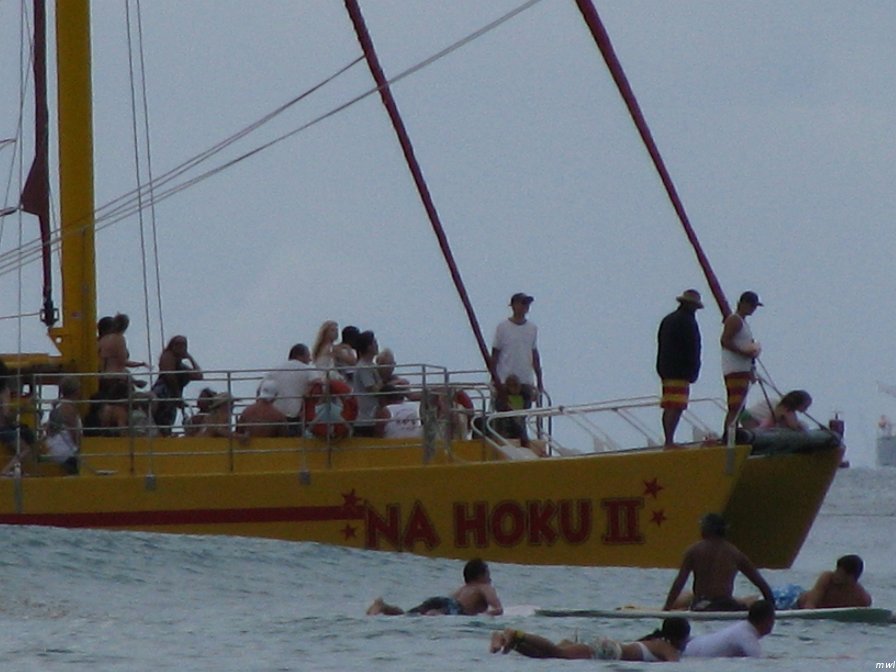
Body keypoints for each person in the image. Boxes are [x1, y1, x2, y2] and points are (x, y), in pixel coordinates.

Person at [663, 513, 774, 611]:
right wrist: (772, 606)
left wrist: (666, 608)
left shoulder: (694, 550)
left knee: (685, 599)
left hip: (703, 604)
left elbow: (679, 582)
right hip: (726, 604)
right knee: (748, 600)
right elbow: (760, 583)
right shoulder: (735, 553)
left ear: (707, 529)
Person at [489, 617, 690, 662]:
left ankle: (512, 642)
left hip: (608, 647)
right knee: (557, 653)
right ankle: (516, 633)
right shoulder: (665, 646)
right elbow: (676, 665)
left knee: (546, 656)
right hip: (608, 650)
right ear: (678, 637)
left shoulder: (655, 641)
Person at [366, 558, 502, 616]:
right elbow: (498, 609)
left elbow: (449, 602)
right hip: (455, 608)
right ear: (480, 576)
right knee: (433, 615)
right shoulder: (484, 587)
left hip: (443, 601)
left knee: (408, 615)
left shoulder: (462, 589)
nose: (490, 579)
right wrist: (483, 615)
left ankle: (383, 606)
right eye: (487, 574)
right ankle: (434, 614)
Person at [656, 289, 703, 447]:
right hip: (680, 370)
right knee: (676, 406)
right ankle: (669, 441)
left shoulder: (668, 319)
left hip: (666, 368)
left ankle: (668, 439)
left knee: (670, 404)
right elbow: (692, 348)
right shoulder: (687, 322)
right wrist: (693, 369)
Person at [720, 292, 763, 439]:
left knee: (740, 405)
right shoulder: (735, 320)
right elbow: (725, 341)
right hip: (735, 369)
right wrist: (744, 353)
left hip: (743, 369)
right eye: (751, 305)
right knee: (735, 405)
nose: (753, 309)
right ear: (742, 304)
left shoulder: (744, 323)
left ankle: (733, 432)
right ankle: (728, 435)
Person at [491, 292, 543, 399]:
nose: (526, 307)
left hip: (525, 381)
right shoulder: (502, 327)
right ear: (514, 305)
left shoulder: (532, 328)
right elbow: (495, 354)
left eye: (527, 304)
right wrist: (494, 379)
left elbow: (534, 355)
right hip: (505, 381)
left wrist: (539, 381)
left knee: (523, 413)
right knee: (504, 412)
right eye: (523, 303)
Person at [683, 599, 774, 658]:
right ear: (766, 620)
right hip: (693, 655)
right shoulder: (746, 635)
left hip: (694, 646)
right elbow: (760, 659)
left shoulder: (743, 627)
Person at [151, 335, 203, 435]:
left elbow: (199, 375)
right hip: (163, 393)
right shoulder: (167, 355)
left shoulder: (181, 366)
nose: (181, 346)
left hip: (172, 398)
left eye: (184, 344)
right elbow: (169, 376)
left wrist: (189, 357)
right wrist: (177, 396)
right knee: (161, 420)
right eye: (178, 344)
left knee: (167, 422)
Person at [262, 344, 321, 432]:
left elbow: (261, 388)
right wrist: (308, 393)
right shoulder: (307, 369)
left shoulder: (275, 370)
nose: (310, 360)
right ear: (300, 356)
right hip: (292, 416)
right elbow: (318, 382)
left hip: (273, 416)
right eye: (308, 356)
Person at [794, 554, 872, 609]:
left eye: (840, 573)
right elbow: (810, 604)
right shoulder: (827, 578)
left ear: (851, 578)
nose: (836, 574)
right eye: (836, 570)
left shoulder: (862, 598)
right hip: (792, 600)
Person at [97, 312, 147, 394]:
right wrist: (140, 364)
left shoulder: (102, 340)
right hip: (117, 377)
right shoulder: (119, 339)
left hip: (104, 376)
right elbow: (122, 362)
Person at [351, 330, 381, 437]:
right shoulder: (364, 367)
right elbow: (372, 389)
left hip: (370, 416)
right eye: (374, 343)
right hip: (365, 419)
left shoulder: (370, 365)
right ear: (369, 347)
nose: (377, 345)